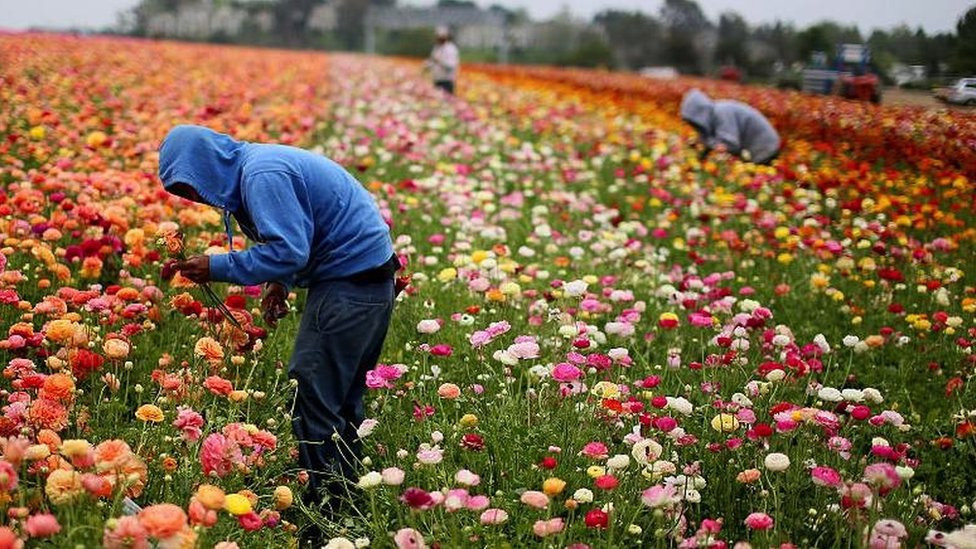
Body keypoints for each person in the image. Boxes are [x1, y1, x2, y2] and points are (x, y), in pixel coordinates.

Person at [157, 125, 398, 511]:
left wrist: (215, 266)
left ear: (207, 163)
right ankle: (350, 499)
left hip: (351, 284)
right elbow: (296, 234)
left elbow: (290, 250)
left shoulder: (261, 174)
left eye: (191, 186)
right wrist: (278, 285)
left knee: (313, 391)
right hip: (366, 283)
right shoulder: (253, 169)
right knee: (341, 398)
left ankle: (328, 507)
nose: (196, 198)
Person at [680, 89, 781, 164]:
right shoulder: (714, 114)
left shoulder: (722, 112)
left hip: (764, 147)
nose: (695, 127)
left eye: (694, 122)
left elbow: (730, 144)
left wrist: (708, 143)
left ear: (700, 113)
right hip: (758, 147)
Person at [426, 26, 459, 95]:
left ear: (446, 36)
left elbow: (451, 65)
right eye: (437, 36)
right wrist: (427, 66)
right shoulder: (436, 48)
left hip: (447, 81)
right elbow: (432, 60)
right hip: (437, 79)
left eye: (441, 36)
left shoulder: (451, 48)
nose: (439, 38)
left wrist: (439, 61)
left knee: (448, 100)